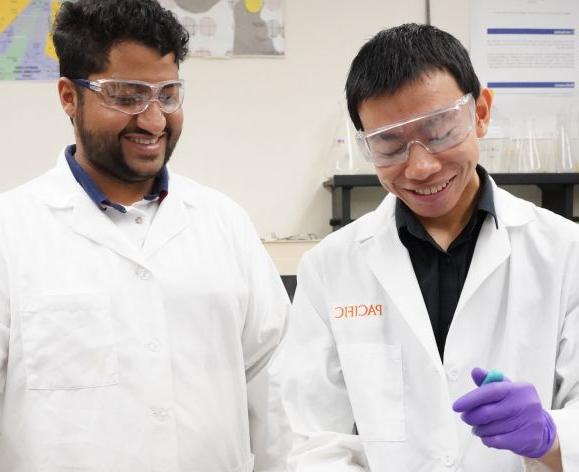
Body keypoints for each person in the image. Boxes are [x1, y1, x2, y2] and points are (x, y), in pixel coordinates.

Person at [0, 1, 290, 471]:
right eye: (127, 96)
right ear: (69, 97)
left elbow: (277, 391)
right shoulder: (11, 233)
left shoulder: (223, 222)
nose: (154, 120)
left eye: (168, 94)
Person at [280, 23, 579, 472]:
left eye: (440, 134)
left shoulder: (565, 252)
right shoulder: (330, 266)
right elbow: (315, 440)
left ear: (480, 111)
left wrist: (551, 437)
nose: (420, 166)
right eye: (388, 145)